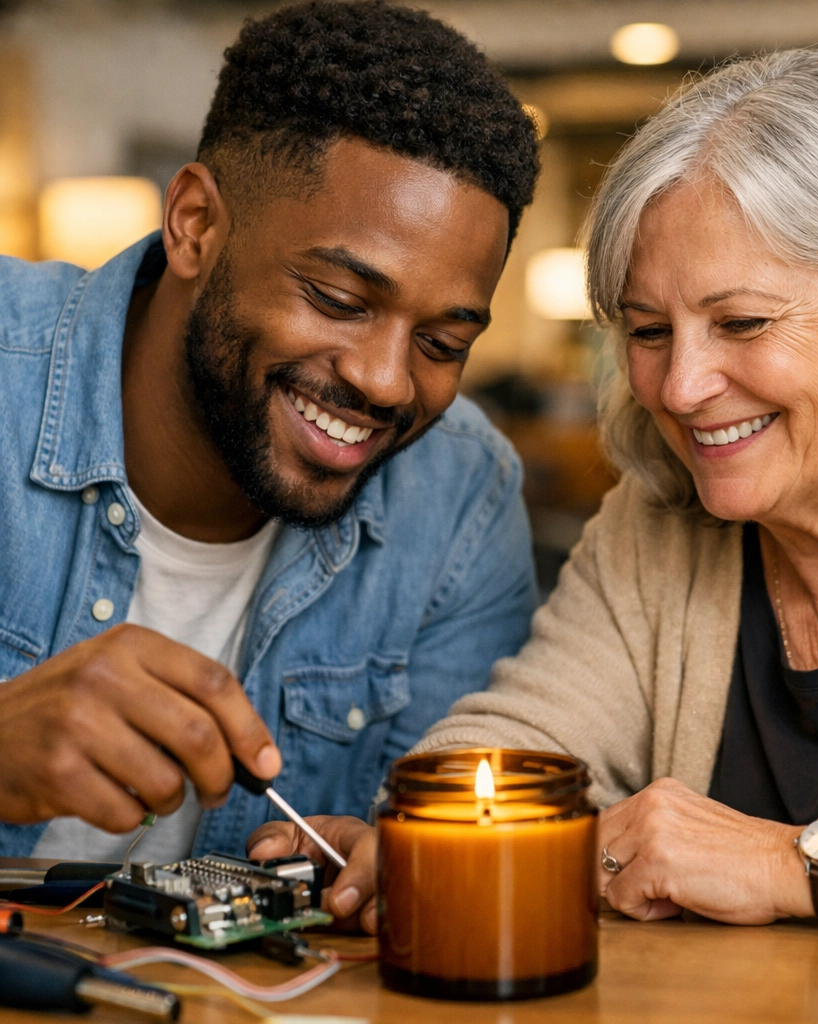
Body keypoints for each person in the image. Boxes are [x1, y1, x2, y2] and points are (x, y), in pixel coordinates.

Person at [256, 48, 818, 949]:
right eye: (650, 332)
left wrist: (779, 863)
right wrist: (432, 835)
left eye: (742, 322)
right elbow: (516, 745)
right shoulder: (655, 522)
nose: (681, 387)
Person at [0, 0, 540, 926]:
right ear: (196, 224)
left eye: (444, 343)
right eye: (338, 298)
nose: (384, 382)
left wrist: (400, 864)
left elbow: (453, 847)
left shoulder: (461, 498)